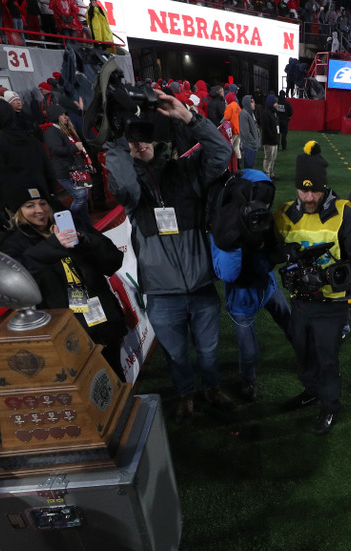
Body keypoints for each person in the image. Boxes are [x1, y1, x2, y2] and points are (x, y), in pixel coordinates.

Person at [105, 89, 235, 421]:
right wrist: (116, 141)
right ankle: (185, 394)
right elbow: (121, 187)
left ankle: (211, 386)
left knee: (208, 351)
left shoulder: (185, 171)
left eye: (143, 139)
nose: (139, 144)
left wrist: (189, 117)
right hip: (162, 295)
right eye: (133, 141)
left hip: (201, 286)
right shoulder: (132, 186)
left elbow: (221, 152)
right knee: (177, 356)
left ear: (157, 142)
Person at [275, 141, 351, 435]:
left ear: (324, 187)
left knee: (327, 357)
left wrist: (326, 277)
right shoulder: (287, 212)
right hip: (299, 302)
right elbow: (274, 253)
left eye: (315, 190)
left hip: (331, 305)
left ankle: (329, 405)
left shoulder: (345, 214)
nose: (309, 196)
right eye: (303, 190)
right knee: (302, 351)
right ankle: (311, 389)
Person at [0, 182, 127, 378]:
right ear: (17, 212)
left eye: (43, 203)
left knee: (116, 377)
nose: (39, 210)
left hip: (102, 320)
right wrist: (54, 245)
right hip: (67, 332)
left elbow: (113, 261)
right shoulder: (12, 244)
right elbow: (18, 280)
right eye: (29, 206)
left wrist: (86, 241)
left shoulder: (71, 227)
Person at [210, 169, 291, 402]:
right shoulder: (226, 224)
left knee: (290, 321)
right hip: (242, 297)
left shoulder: (260, 214)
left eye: (267, 202)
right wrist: (237, 237)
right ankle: (247, 380)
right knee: (249, 351)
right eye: (261, 201)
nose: (264, 207)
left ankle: (307, 357)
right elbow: (228, 273)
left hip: (267, 285)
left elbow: (270, 255)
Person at [0, 96, 54, 230]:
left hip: (18, 206)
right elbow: (48, 169)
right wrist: (50, 195)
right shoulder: (31, 138)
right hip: (41, 198)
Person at [43, 105, 93, 228]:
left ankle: (86, 225)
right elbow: (55, 150)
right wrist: (74, 148)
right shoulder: (51, 131)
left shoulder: (65, 129)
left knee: (84, 197)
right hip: (64, 170)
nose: (66, 117)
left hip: (75, 168)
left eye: (66, 114)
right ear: (56, 116)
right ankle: (69, 222)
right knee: (80, 196)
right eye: (63, 114)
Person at [261, 95, 280, 180]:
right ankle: (266, 175)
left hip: (274, 139)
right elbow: (266, 128)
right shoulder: (265, 113)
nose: (277, 104)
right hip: (269, 140)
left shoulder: (274, 112)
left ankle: (271, 173)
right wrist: (273, 137)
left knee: (273, 158)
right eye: (275, 102)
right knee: (268, 157)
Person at [239, 95, 260, 170]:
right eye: (252, 102)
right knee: (248, 168)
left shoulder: (250, 113)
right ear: (247, 103)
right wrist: (253, 142)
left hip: (251, 145)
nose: (254, 104)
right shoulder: (244, 114)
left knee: (250, 167)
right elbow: (245, 132)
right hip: (248, 146)